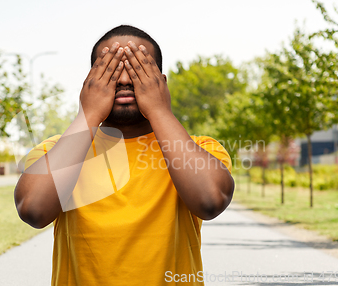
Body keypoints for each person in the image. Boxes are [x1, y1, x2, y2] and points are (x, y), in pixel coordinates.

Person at [14, 25, 234, 285]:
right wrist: (89, 114)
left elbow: (210, 201)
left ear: (160, 83)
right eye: (111, 70)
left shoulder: (201, 148)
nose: (125, 80)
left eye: (138, 69)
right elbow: (33, 211)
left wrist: (160, 110)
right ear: (90, 82)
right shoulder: (56, 151)